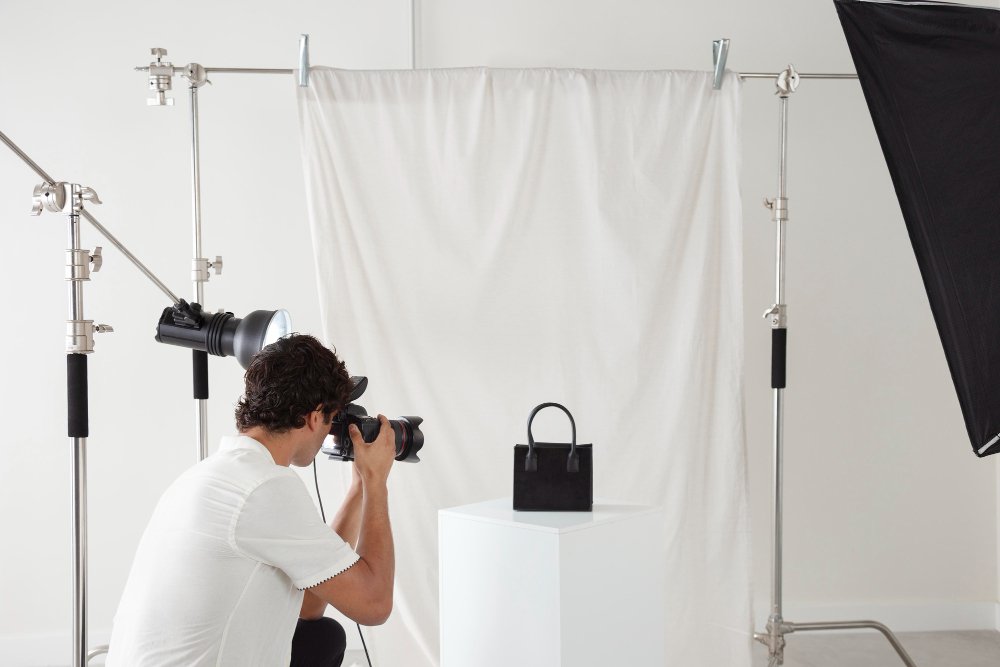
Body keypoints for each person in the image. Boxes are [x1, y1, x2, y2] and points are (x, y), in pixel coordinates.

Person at [106, 334, 396, 666]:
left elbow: (310, 604)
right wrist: (376, 482)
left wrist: (359, 487)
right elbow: (374, 604)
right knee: (321, 639)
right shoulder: (265, 488)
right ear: (315, 417)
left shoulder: (213, 474)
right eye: (331, 419)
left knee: (320, 638)